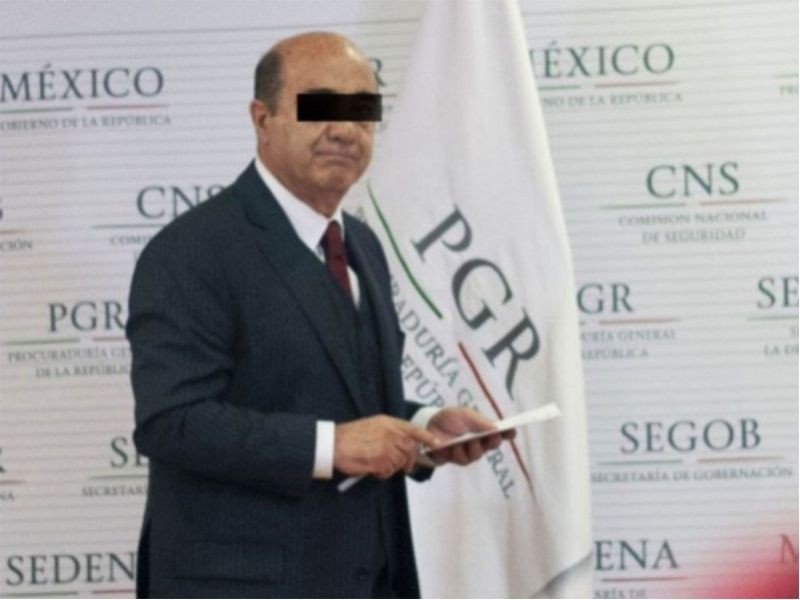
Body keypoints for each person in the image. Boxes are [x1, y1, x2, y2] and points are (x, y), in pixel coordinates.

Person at [126, 31, 511, 599]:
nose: (345, 129)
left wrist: (425, 429)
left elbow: (342, 401)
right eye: (320, 105)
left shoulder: (362, 245)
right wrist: (334, 446)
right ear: (262, 119)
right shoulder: (191, 250)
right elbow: (172, 422)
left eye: (361, 111)